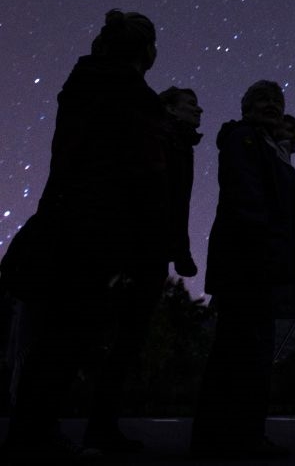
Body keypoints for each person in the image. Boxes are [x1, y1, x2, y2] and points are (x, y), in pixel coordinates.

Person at [0, 9, 166, 461]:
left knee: (55, 336)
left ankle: (30, 432)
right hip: (97, 232)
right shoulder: (131, 96)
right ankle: (35, 437)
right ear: (145, 51)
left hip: (67, 223)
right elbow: (137, 174)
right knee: (67, 336)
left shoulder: (84, 83)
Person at [83, 86, 203, 453]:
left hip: (152, 251)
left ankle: (103, 428)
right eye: (191, 105)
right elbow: (142, 193)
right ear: (168, 107)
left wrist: (179, 252)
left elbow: (176, 204)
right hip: (136, 250)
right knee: (119, 340)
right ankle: (98, 431)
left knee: (129, 341)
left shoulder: (179, 143)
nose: (199, 111)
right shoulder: (156, 136)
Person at [190, 80, 295, 459]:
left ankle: (240, 433)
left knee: (250, 352)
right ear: (246, 107)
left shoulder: (274, 150)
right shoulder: (244, 140)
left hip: (262, 264)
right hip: (248, 263)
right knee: (237, 351)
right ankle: (223, 436)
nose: (271, 105)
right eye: (262, 99)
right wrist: (264, 254)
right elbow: (247, 198)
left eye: (277, 100)